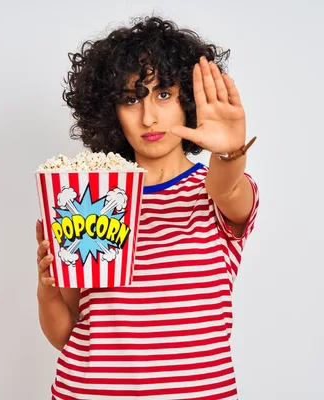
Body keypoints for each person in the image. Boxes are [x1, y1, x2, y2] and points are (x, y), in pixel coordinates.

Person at [35, 16, 259, 399]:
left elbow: (228, 187)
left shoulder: (214, 192)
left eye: (164, 94)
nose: (148, 116)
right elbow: (66, 336)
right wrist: (48, 291)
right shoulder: (88, 198)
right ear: (111, 112)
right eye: (130, 99)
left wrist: (228, 151)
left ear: (188, 99)